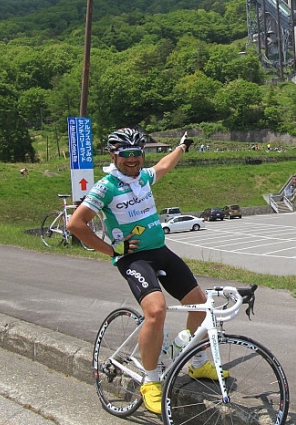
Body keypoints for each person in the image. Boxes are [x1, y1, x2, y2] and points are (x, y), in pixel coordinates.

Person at [67, 128, 226, 415]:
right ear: (113, 155)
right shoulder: (106, 186)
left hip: (160, 252)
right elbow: (75, 225)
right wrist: (112, 251)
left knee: (199, 303)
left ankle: (198, 363)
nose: (132, 159)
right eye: (125, 154)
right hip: (134, 259)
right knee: (156, 311)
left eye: (136, 153)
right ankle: (151, 381)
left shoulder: (144, 177)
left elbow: (164, 165)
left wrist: (182, 147)